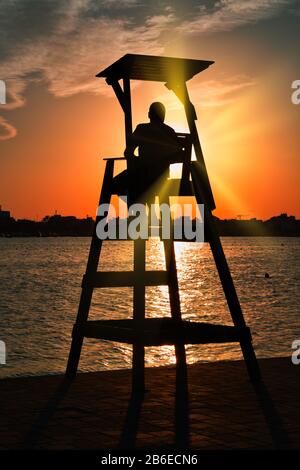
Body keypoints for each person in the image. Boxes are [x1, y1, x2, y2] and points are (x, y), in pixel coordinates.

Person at [124, 102, 182, 202]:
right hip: (162, 177)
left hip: (142, 176)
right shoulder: (169, 131)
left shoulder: (141, 129)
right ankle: (160, 215)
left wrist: (140, 161)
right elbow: (179, 155)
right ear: (163, 116)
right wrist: (162, 161)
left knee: (116, 184)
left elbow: (128, 153)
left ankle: (137, 214)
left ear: (149, 115)